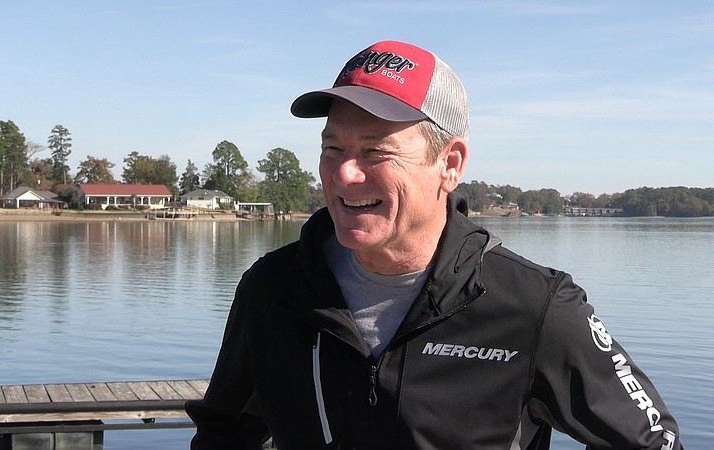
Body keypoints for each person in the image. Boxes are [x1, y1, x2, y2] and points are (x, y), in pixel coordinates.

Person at [186, 40, 681, 449]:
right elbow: (225, 432)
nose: (343, 173)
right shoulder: (272, 289)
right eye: (332, 147)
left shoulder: (535, 307)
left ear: (450, 164)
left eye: (375, 150)